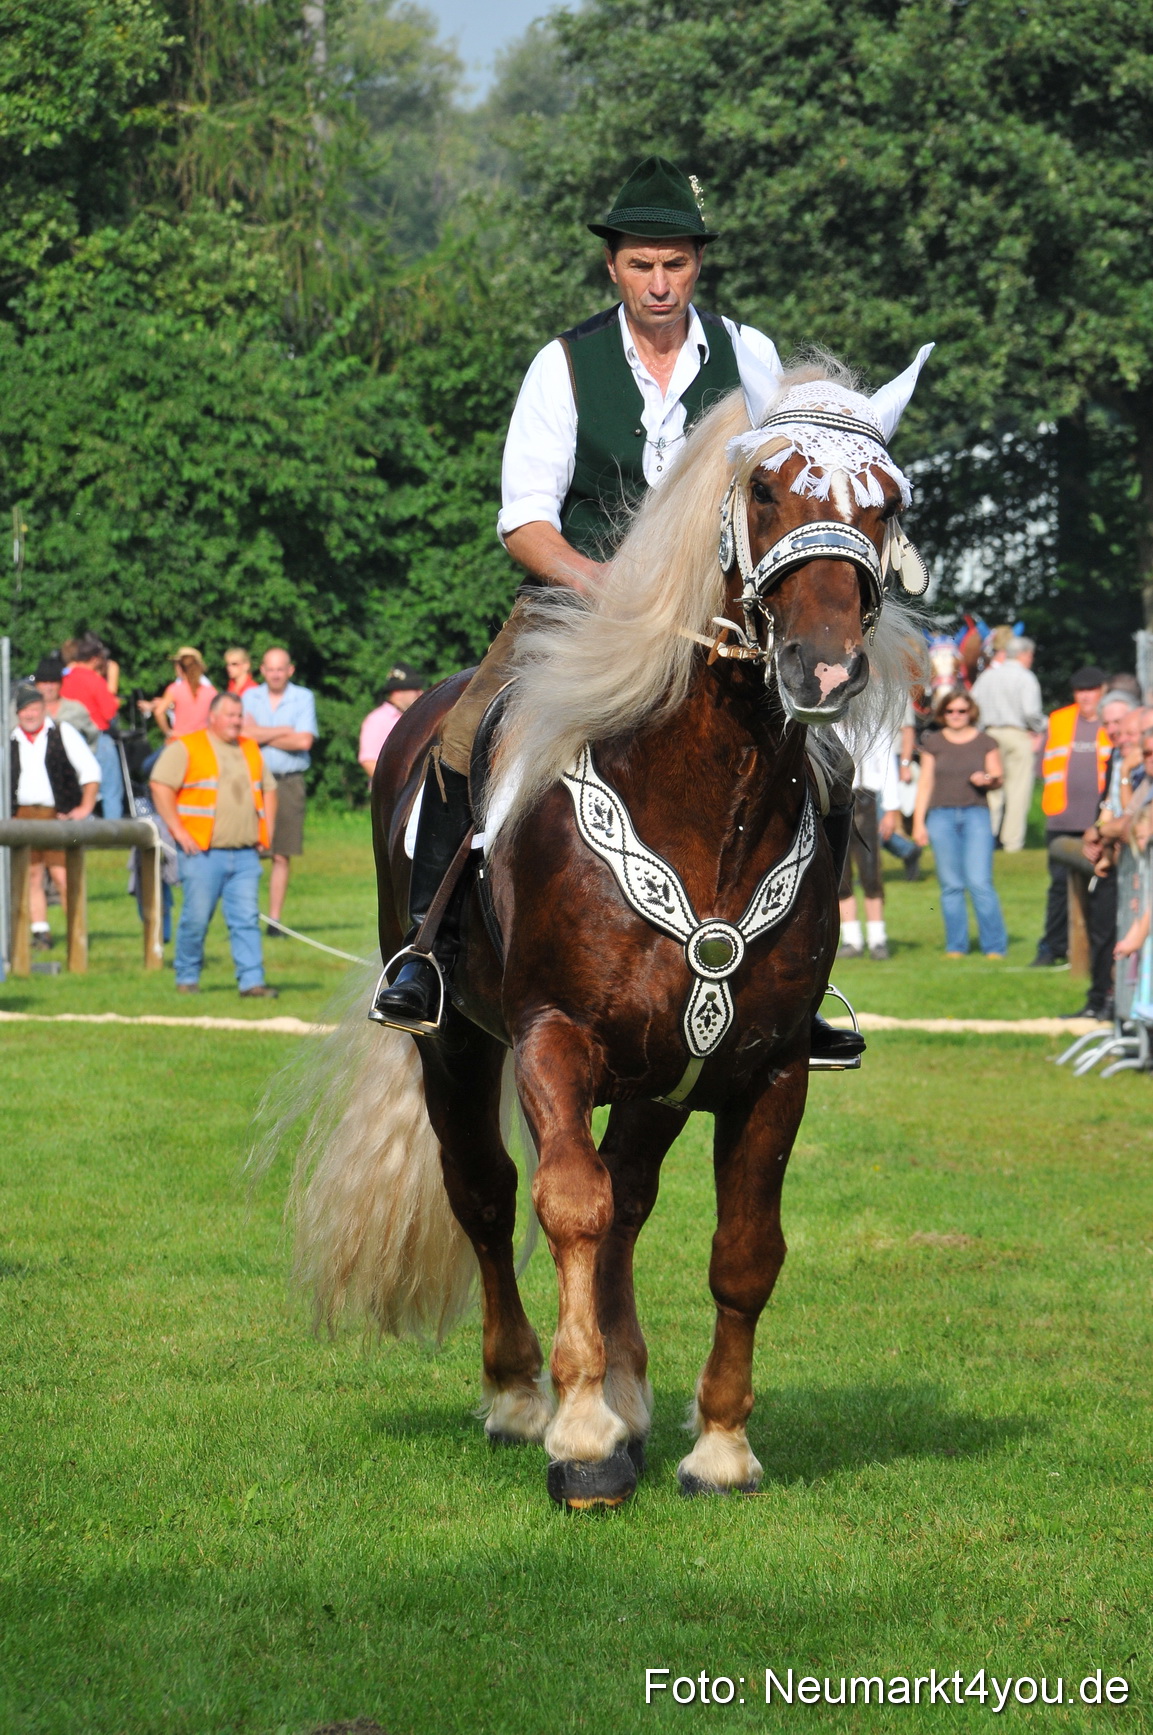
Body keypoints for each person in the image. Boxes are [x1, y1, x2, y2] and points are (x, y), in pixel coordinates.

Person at [372, 155, 874, 1060]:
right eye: (641, 264)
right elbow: (524, 522)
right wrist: (601, 582)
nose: (659, 282)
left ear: (697, 264)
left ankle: (803, 984)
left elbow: (796, 477)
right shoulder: (563, 365)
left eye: (675, 263)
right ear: (612, 266)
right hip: (578, 609)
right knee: (462, 734)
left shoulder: (752, 357)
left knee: (829, 759)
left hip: (724, 622)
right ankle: (428, 953)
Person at [149, 692, 279, 997]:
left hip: (245, 853)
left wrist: (267, 832)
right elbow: (159, 785)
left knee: (246, 920)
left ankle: (252, 982)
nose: (236, 721)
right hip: (202, 852)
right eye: (230, 715)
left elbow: (269, 789)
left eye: (239, 715)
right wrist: (178, 831)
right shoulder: (187, 746)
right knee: (195, 919)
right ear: (213, 717)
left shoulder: (249, 748)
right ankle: (187, 977)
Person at [912, 689, 1008, 958]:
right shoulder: (934, 743)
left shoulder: (985, 742)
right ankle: (956, 946)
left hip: (976, 815)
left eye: (961, 711)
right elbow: (925, 784)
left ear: (971, 713)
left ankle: (995, 946)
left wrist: (986, 779)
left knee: (980, 882)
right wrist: (919, 823)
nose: (956, 715)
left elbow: (998, 777)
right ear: (943, 713)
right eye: (950, 711)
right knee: (951, 885)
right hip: (940, 817)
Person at [9, 684, 101, 951]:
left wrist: (84, 808)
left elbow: (91, 771)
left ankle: (77, 932)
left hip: (57, 816)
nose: (30, 714)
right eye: (25, 710)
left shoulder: (62, 732)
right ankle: (40, 932)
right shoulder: (10, 739)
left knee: (63, 875)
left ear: (43, 709)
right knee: (31, 874)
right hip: (23, 816)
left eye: (34, 709)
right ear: (18, 713)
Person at [1032, 666, 1111, 968]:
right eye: (1080, 691)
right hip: (1062, 818)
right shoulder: (1059, 720)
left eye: (1091, 690)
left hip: (1102, 821)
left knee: (1101, 886)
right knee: (1059, 887)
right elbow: (1042, 766)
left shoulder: (1112, 721)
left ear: (1103, 691)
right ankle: (1052, 947)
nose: (1086, 696)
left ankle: (1095, 948)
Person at [241, 647, 318, 937]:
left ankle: (274, 921)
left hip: (288, 781)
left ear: (290, 670)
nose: (275, 674)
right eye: (270, 669)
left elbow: (304, 742)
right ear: (262, 670)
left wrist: (261, 734)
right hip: (252, 783)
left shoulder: (303, 697)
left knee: (282, 853)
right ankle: (246, 915)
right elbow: (242, 736)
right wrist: (283, 731)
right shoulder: (249, 697)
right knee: (247, 850)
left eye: (280, 669)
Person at [970, 635, 1046, 851]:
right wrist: (1043, 726)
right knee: (1018, 790)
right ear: (1023, 654)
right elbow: (1031, 712)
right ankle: (1012, 843)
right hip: (1017, 734)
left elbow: (972, 704)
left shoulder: (987, 676)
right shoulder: (1026, 677)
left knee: (992, 789)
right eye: (1030, 655)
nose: (1031, 659)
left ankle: (987, 838)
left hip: (989, 734)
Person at [837, 732, 906, 960]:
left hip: (866, 799)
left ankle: (877, 938)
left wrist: (891, 809)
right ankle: (852, 938)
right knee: (841, 875)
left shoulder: (873, 726)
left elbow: (887, 765)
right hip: (837, 799)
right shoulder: (827, 725)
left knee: (870, 872)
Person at [60, 631, 124, 819]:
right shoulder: (94, 680)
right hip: (98, 739)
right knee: (111, 791)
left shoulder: (64, 678)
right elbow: (109, 712)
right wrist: (115, 701)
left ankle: (82, 828)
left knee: (78, 791)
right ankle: (113, 831)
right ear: (95, 659)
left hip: (70, 739)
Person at [358, 662, 426, 779]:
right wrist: (399, 785)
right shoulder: (378, 720)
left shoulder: (415, 717)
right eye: (415, 689)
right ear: (397, 692)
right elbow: (368, 761)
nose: (421, 693)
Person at [138, 647, 217, 739]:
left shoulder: (177, 688)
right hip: (202, 739)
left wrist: (168, 733)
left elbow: (159, 711)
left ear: (181, 667)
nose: (175, 667)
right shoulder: (210, 690)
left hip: (181, 739)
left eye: (177, 664)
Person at [31, 654, 98, 746]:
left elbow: (92, 736)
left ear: (61, 683)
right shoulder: (26, 710)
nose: (48, 687)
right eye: (44, 682)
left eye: (53, 682)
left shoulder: (76, 709)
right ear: (36, 684)